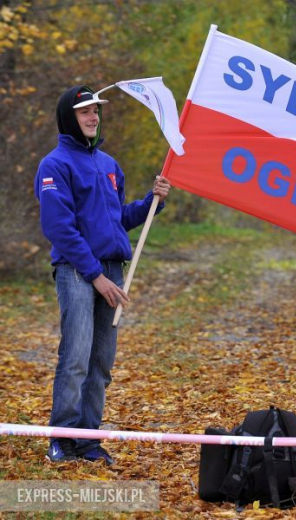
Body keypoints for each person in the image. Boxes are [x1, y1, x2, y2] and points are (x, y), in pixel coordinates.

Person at [35, 85, 171, 464]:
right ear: (69, 118)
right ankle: (61, 439)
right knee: (76, 358)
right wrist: (95, 275)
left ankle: (88, 440)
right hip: (79, 273)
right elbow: (59, 227)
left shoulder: (110, 165)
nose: (93, 117)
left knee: (101, 364)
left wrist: (152, 202)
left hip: (112, 270)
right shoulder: (54, 165)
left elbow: (118, 221)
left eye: (96, 110)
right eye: (84, 112)